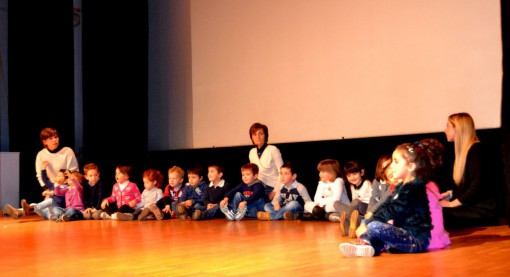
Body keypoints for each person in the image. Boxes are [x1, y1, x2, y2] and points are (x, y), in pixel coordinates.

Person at [339, 140, 441, 257]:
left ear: (411, 166)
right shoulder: (401, 186)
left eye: (396, 162)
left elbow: (392, 210)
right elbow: (385, 205)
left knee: (374, 226)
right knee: (374, 222)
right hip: (404, 235)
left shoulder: (414, 189)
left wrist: (367, 224)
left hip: (416, 241)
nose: (391, 166)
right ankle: (368, 246)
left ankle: (368, 243)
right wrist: (368, 220)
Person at [440, 112, 498, 229]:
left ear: (459, 129)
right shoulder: (467, 151)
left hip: (481, 210)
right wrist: (450, 194)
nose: (444, 130)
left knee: (440, 214)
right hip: (471, 206)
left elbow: (476, 187)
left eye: (448, 126)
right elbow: (467, 184)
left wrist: (451, 204)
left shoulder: (476, 150)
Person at [5, 161, 69, 220]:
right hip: (48, 213)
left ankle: (29, 208)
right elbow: (45, 180)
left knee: (50, 200)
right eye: (57, 175)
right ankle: (18, 212)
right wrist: (43, 169)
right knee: (33, 204)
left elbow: (60, 199)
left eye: (59, 176)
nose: (57, 177)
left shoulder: (66, 189)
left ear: (66, 180)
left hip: (57, 210)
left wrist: (51, 193)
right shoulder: (53, 185)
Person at [330, 161, 372, 237]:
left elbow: (370, 200)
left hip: (366, 208)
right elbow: (353, 202)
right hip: (356, 211)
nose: (352, 178)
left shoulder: (367, 183)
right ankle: (348, 230)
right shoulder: (352, 186)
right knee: (336, 203)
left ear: (362, 173)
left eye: (355, 174)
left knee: (356, 202)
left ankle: (346, 220)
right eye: (349, 176)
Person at [248, 122, 284, 200]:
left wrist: (275, 191)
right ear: (252, 137)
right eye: (255, 134)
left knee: (265, 206)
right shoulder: (252, 152)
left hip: (272, 187)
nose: (258, 137)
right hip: (258, 187)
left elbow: (282, 172)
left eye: (261, 133)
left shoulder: (273, 149)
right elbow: (253, 173)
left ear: (265, 135)